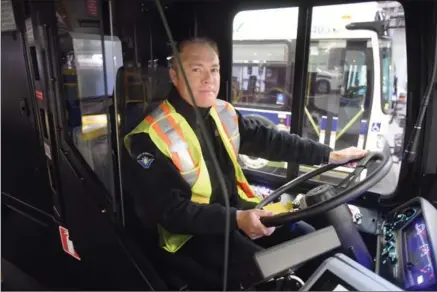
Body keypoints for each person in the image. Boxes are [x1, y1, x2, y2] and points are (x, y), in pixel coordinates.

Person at [123, 37, 367, 290]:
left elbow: (271, 140)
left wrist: (329, 155)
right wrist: (238, 220)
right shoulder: (149, 136)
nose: (209, 79)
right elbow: (171, 213)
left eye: (214, 69)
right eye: (196, 69)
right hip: (192, 234)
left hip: (238, 213)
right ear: (174, 75)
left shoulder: (223, 112)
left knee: (311, 239)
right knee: (270, 274)